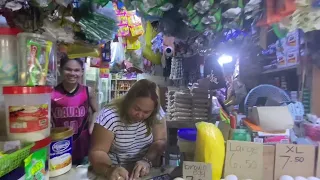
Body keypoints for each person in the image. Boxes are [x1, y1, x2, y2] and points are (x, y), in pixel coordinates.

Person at [89, 79, 167, 180]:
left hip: (145, 171)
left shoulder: (157, 113)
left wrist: (147, 160)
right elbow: (97, 151)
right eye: (136, 109)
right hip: (115, 173)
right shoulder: (109, 116)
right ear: (128, 101)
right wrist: (109, 170)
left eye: (146, 112)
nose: (140, 115)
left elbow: (160, 141)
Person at [51, 55, 98, 165]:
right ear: (60, 70)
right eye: (68, 69)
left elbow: (96, 110)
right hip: (59, 145)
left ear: (81, 72)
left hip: (83, 144)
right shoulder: (51, 93)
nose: (72, 73)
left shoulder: (88, 91)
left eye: (76, 70)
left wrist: (92, 126)